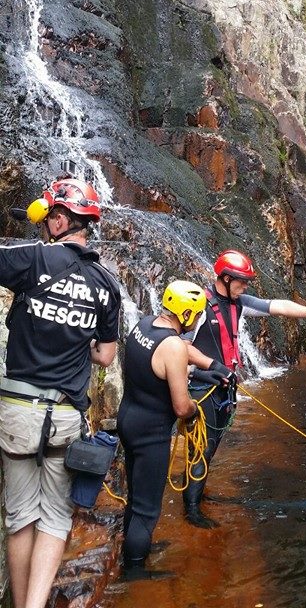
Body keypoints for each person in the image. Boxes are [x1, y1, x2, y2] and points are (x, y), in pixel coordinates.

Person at [0, 176, 121, 608]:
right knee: (54, 517)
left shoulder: (32, 260)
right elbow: (106, 356)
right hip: (66, 415)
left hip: (17, 410)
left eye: (48, 216)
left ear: (58, 221)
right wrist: (77, 338)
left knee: (19, 517)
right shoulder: (106, 284)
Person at [184, 249, 306, 528]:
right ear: (224, 278)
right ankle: (191, 511)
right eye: (241, 281)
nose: (246, 286)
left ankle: (198, 493)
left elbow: (277, 306)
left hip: (226, 389)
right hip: (203, 388)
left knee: (212, 447)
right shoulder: (200, 305)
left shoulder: (239, 303)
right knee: (202, 448)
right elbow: (180, 346)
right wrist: (206, 369)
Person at [118, 279, 216, 579]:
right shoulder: (172, 345)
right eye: (197, 315)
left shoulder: (145, 325)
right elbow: (181, 406)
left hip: (128, 420)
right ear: (185, 314)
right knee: (148, 508)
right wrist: (195, 410)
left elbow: (160, 364)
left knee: (135, 495)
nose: (198, 320)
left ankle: (134, 548)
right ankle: (134, 570)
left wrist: (205, 369)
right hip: (152, 433)